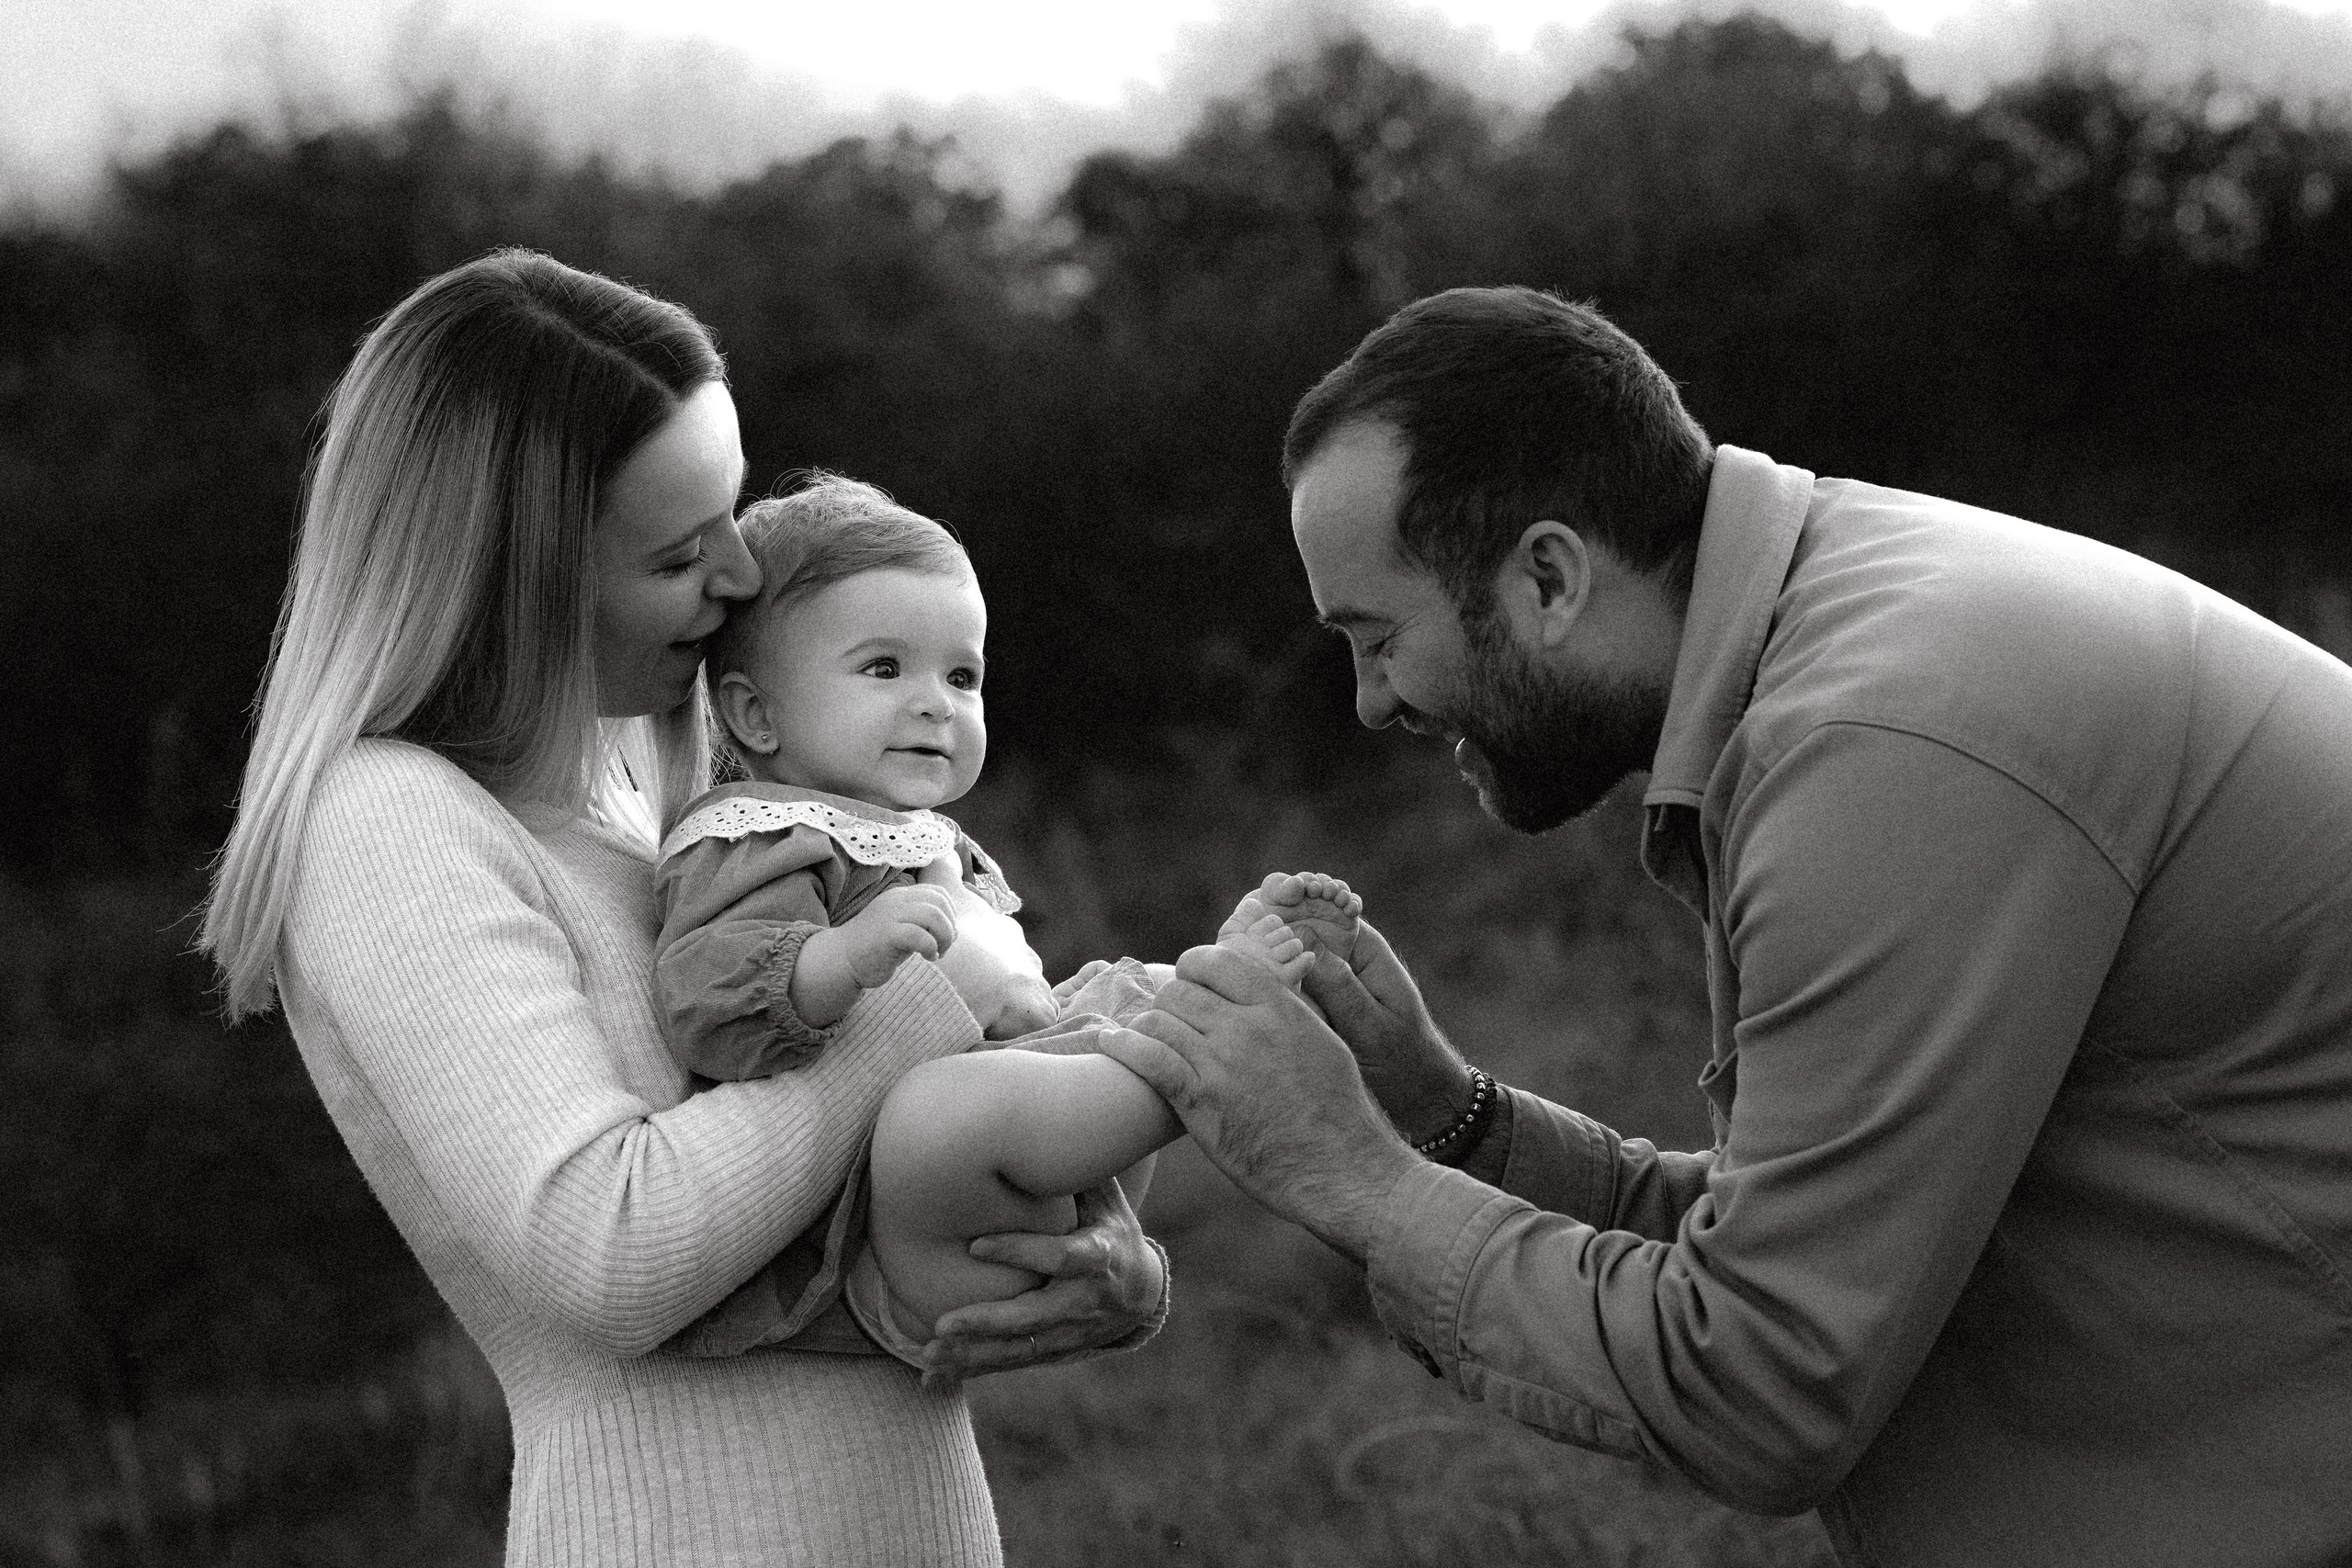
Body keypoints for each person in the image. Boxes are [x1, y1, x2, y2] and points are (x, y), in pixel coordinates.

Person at [1101, 285, 2352, 1567]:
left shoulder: (1884, 747)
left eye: (1378, 636)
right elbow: (1804, 1240)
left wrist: (1347, 1169)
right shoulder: (1838, 636)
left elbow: (1763, 1375)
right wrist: (1442, 1114)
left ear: (1546, 575)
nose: (1371, 703)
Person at [198, 249, 1169, 1567]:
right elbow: (610, 1251)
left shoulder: (666, 795)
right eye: (676, 551)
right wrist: (923, 997)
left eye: (732, 510)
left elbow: (885, 1190)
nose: (740, 577)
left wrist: (1112, 1258)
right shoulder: (387, 822)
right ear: (517, 573)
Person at [647, 473, 1351, 1358]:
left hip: (1020, 1201)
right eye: (883, 667)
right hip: (885, 1242)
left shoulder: (915, 837)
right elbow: (706, 1003)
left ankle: (1202, 1014)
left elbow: (1007, 1016)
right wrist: (836, 959)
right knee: (941, 1109)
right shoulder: (761, 835)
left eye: (962, 674)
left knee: (1132, 985)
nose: (937, 701)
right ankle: (1212, 1046)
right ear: (755, 713)